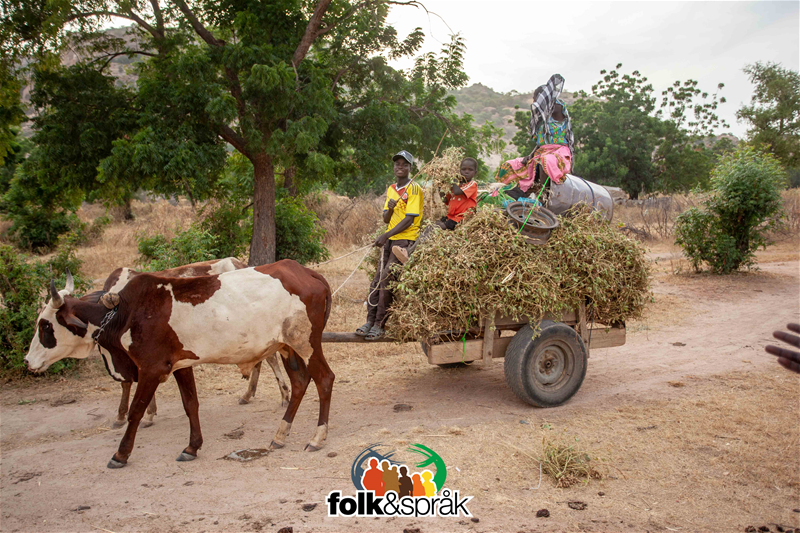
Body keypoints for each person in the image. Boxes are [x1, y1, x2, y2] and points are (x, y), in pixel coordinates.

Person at [355, 150, 423, 341]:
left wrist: (386, 235)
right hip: (391, 239)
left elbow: (409, 220)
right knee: (376, 280)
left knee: (387, 279)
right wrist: (391, 209)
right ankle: (369, 321)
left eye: (404, 165)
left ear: (410, 168)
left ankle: (380, 325)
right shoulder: (392, 189)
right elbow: (386, 219)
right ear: (393, 168)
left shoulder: (414, 188)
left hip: (404, 241)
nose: (400, 167)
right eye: (397, 164)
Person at [492, 74, 574, 200]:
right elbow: (541, 143)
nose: (535, 103)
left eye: (537, 99)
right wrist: (529, 156)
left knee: (545, 160)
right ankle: (505, 193)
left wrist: (544, 101)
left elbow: (547, 106)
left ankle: (543, 195)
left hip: (558, 152)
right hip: (541, 152)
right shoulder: (541, 118)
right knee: (510, 164)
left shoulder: (557, 108)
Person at [392, 157, 478, 265]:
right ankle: (410, 252)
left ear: (475, 172)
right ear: (459, 170)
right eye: (463, 169)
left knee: (435, 228)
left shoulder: (471, 184)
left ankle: (410, 253)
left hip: (462, 218)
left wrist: (453, 179)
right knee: (430, 227)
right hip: (451, 217)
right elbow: (445, 199)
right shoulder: (456, 186)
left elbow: (456, 191)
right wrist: (440, 185)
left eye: (470, 170)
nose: (466, 171)